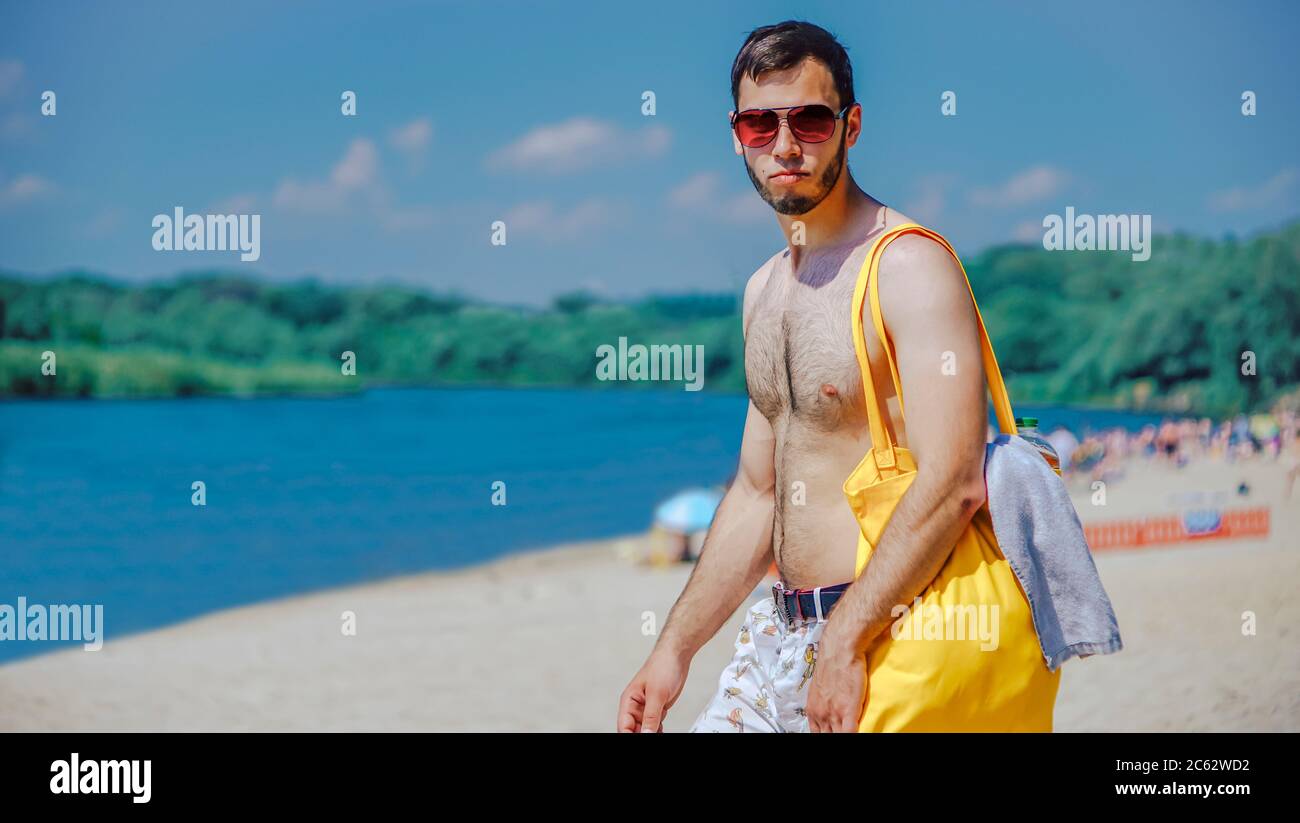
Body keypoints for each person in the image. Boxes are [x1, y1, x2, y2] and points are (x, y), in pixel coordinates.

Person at [617, 21, 1058, 733]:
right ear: (737, 135)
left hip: (886, 635)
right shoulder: (764, 291)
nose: (786, 145)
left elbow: (954, 480)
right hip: (777, 640)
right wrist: (674, 648)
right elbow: (759, 492)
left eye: (810, 120)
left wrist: (846, 641)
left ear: (850, 126)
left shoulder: (908, 267)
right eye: (762, 123)